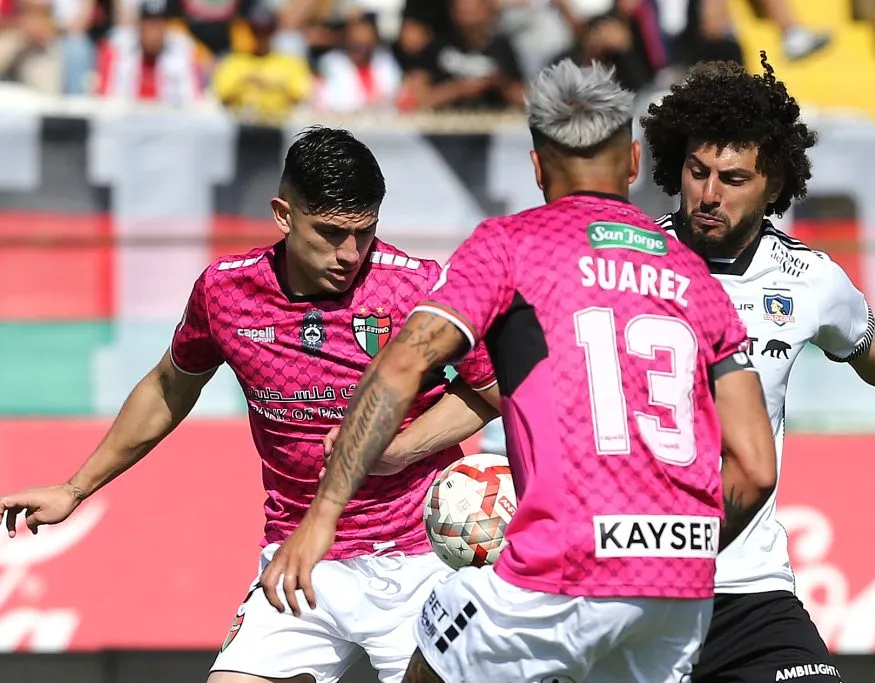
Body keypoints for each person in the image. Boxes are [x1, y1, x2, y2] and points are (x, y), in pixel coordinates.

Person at [260, 59, 779, 683]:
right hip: (680, 579)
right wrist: (667, 543)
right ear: (634, 163)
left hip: (564, 561)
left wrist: (321, 518)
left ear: (537, 168)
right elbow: (754, 466)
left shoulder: (511, 246)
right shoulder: (694, 276)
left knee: (430, 662)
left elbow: (400, 368)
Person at [0, 126, 501, 683]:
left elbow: (492, 392)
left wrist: (400, 448)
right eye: (331, 233)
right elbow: (170, 386)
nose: (350, 254)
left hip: (420, 561)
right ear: (283, 215)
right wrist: (75, 488)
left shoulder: (418, 288)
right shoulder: (225, 293)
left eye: (365, 232)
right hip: (299, 561)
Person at [639, 53, 875, 683]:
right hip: (634, 582)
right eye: (697, 172)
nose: (708, 193)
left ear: (774, 186)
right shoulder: (630, 263)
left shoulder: (807, 279)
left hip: (748, 587)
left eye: (733, 177)